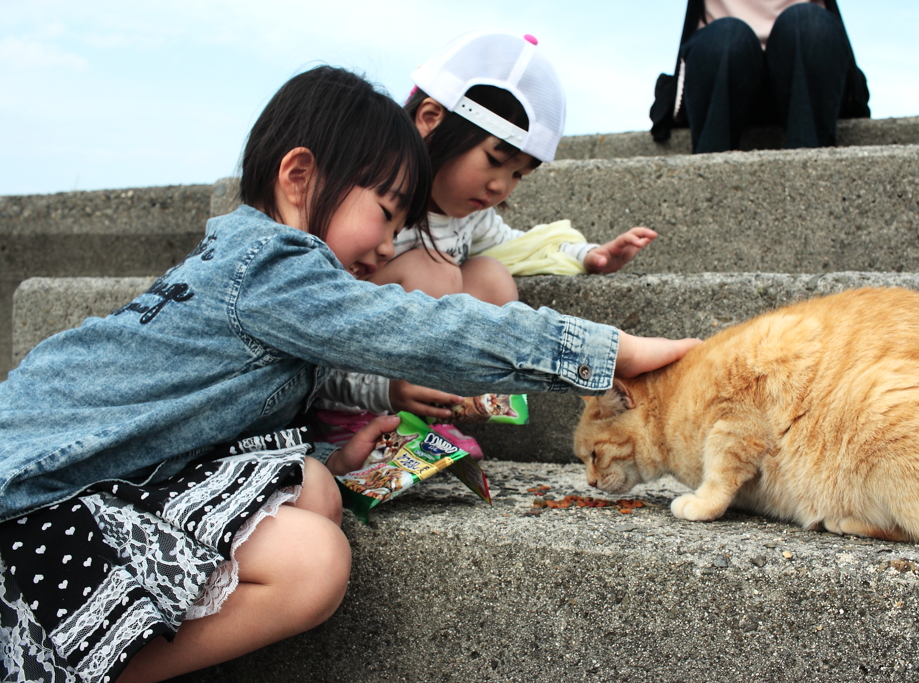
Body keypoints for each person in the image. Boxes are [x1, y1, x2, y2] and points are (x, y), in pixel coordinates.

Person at [0, 65, 700, 682]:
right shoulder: (273, 268)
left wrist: (332, 457)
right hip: (28, 506)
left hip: (85, 484)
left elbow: (230, 407)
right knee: (314, 563)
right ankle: (72, 658)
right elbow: (423, 327)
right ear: (299, 176)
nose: (390, 245)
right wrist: (605, 353)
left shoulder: (246, 266)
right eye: (386, 211)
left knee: (310, 484)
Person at [315, 30, 659, 438]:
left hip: (406, 369)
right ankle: (380, 412)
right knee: (438, 272)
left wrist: (587, 255)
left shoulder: (470, 217)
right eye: (494, 160)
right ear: (430, 120)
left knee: (493, 276)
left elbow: (522, 247)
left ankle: (431, 413)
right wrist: (379, 387)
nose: (501, 186)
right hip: (349, 371)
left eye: (517, 174)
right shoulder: (366, 199)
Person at [649, 0, 870, 153]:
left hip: (808, 81)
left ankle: (808, 177)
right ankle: (710, 185)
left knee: (807, 24)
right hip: (722, 78)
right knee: (725, 37)